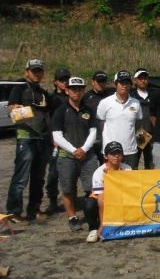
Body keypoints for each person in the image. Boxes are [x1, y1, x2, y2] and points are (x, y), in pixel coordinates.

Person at [6, 59, 54, 224]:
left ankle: (34, 208)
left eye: (39, 70)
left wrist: (52, 138)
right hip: (26, 138)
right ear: (27, 72)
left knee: (39, 177)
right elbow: (10, 110)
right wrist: (15, 109)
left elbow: (48, 117)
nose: (37, 73)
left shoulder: (44, 93)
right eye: (34, 71)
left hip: (42, 138)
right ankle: (14, 212)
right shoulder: (19, 88)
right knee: (21, 177)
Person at [51, 77, 99, 231]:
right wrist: (74, 150)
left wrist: (84, 149)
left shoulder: (89, 111)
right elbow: (57, 136)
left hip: (87, 155)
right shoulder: (60, 111)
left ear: (83, 90)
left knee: (92, 188)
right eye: (73, 89)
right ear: (67, 91)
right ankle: (72, 217)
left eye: (79, 89)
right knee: (68, 189)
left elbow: (94, 132)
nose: (76, 92)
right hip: (67, 157)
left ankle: (92, 214)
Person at [83, 141, 133, 243]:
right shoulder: (99, 172)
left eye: (118, 153)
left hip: (120, 197)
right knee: (89, 205)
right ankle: (94, 228)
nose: (116, 156)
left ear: (122, 155)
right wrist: (103, 224)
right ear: (106, 156)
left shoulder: (127, 169)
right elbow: (101, 198)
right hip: (103, 198)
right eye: (112, 154)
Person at [96, 70, 142, 168]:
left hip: (130, 151)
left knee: (130, 181)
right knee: (110, 181)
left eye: (127, 83)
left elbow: (138, 122)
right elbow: (100, 124)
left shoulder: (136, 103)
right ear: (115, 84)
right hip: (110, 152)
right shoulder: (105, 102)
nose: (124, 86)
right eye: (121, 83)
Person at [45, 67, 71, 213]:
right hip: (56, 140)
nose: (64, 82)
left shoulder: (74, 96)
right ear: (55, 82)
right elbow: (47, 119)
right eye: (61, 80)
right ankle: (53, 200)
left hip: (73, 139)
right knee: (54, 172)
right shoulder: (51, 98)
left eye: (66, 79)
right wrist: (52, 138)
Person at [82, 70, 114, 165]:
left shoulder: (111, 95)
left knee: (106, 164)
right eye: (98, 81)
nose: (101, 84)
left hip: (106, 135)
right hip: (91, 135)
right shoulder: (86, 97)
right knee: (90, 164)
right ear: (93, 82)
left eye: (103, 81)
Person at [130, 68, 155, 169]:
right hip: (138, 134)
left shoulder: (154, 94)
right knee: (134, 164)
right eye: (140, 78)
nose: (143, 80)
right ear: (135, 80)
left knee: (151, 164)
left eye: (145, 78)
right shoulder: (131, 96)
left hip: (152, 133)